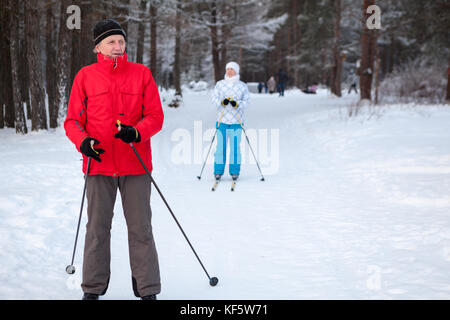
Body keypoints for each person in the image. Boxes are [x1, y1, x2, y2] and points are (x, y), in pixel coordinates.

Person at [64, 19, 164, 300]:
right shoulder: (85, 76)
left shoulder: (141, 74)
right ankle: (92, 290)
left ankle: (148, 290)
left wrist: (137, 132)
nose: (118, 46)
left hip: (136, 165)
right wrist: (83, 142)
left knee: (141, 228)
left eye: (121, 41)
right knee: (96, 229)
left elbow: (156, 117)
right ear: (98, 46)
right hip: (99, 164)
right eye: (111, 42)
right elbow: (72, 121)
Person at [212, 61, 250, 181]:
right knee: (220, 148)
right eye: (227, 69)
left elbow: (247, 101)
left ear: (236, 71)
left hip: (236, 122)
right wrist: (221, 102)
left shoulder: (242, 86)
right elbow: (214, 99)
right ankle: (218, 171)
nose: (229, 71)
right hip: (222, 121)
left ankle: (234, 171)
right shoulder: (219, 84)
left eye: (232, 69)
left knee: (235, 148)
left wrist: (237, 103)